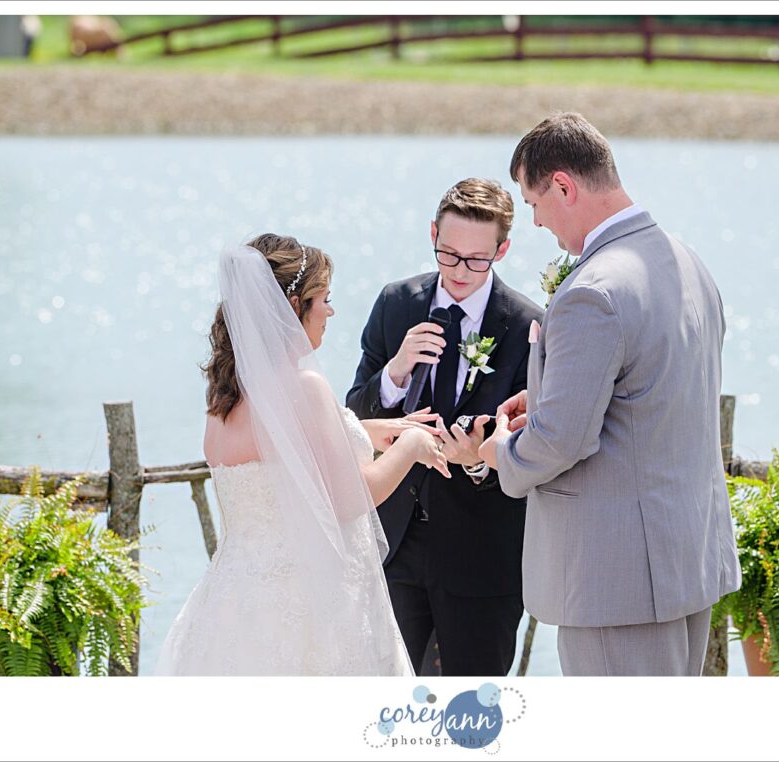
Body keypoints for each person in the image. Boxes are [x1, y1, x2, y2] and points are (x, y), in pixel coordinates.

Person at [479, 112, 742, 676]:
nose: (537, 222)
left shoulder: (592, 292)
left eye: (533, 204)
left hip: (617, 581)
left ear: (564, 186)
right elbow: (657, 391)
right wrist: (550, 391)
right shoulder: (686, 259)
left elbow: (561, 442)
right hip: (685, 561)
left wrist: (500, 453)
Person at [155, 233, 448, 676]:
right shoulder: (305, 388)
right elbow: (350, 498)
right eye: (323, 299)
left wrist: (365, 430)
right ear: (293, 308)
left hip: (234, 604)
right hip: (312, 607)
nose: (330, 311)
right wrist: (411, 446)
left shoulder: (224, 396)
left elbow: (281, 455)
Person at [347, 179, 543, 676]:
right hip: (393, 544)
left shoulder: (528, 325)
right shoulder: (396, 303)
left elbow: (536, 444)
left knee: (472, 714)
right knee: (382, 703)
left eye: (477, 260)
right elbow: (353, 412)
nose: (460, 271)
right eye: (448, 254)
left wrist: (478, 462)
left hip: (483, 554)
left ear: (503, 249)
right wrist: (394, 373)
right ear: (433, 234)